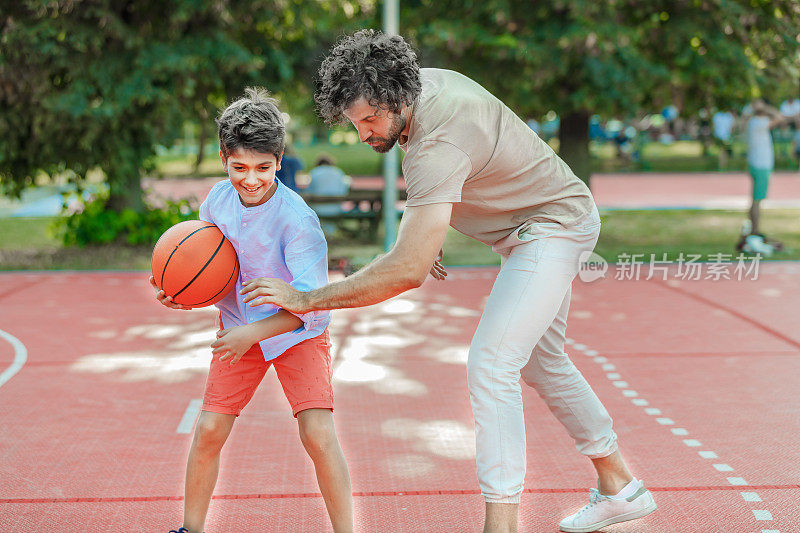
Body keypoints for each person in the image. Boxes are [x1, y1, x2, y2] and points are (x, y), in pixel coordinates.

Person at [240, 31, 655, 533]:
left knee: (491, 363)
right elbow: (451, 180)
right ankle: (620, 487)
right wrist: (426, 232)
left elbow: (407, 270)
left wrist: (305, 298)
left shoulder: (437, 138)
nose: (365, 134)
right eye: (355, 123)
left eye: (371, 119)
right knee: (543, 361)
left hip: (553, 226)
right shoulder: (424, 89)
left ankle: (500, 525)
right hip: (533, 226)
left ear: (397, 98)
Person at [150, 87, 353, 533]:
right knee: (207, 432)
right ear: (224, 158)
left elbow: (312, 308)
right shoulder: (216, 202)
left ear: (279, 161)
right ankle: (191, 529)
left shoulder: (298, 222)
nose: (251, 178)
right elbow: (209, 269)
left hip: (296, 333)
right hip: (241, 327)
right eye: (239, 167)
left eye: (263, 167)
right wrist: (179, 292)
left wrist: (251, 335)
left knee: (317, 434)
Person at [738, 98, 788, 256]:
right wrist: (766, 108)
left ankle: (752, 230)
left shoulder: (752, 122)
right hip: (761, 165)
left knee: (755, 199)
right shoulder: (759, 123)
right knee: (757, 200)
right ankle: (754, 231)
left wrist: (756, 110)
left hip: (755, 163)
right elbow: (780, 117)